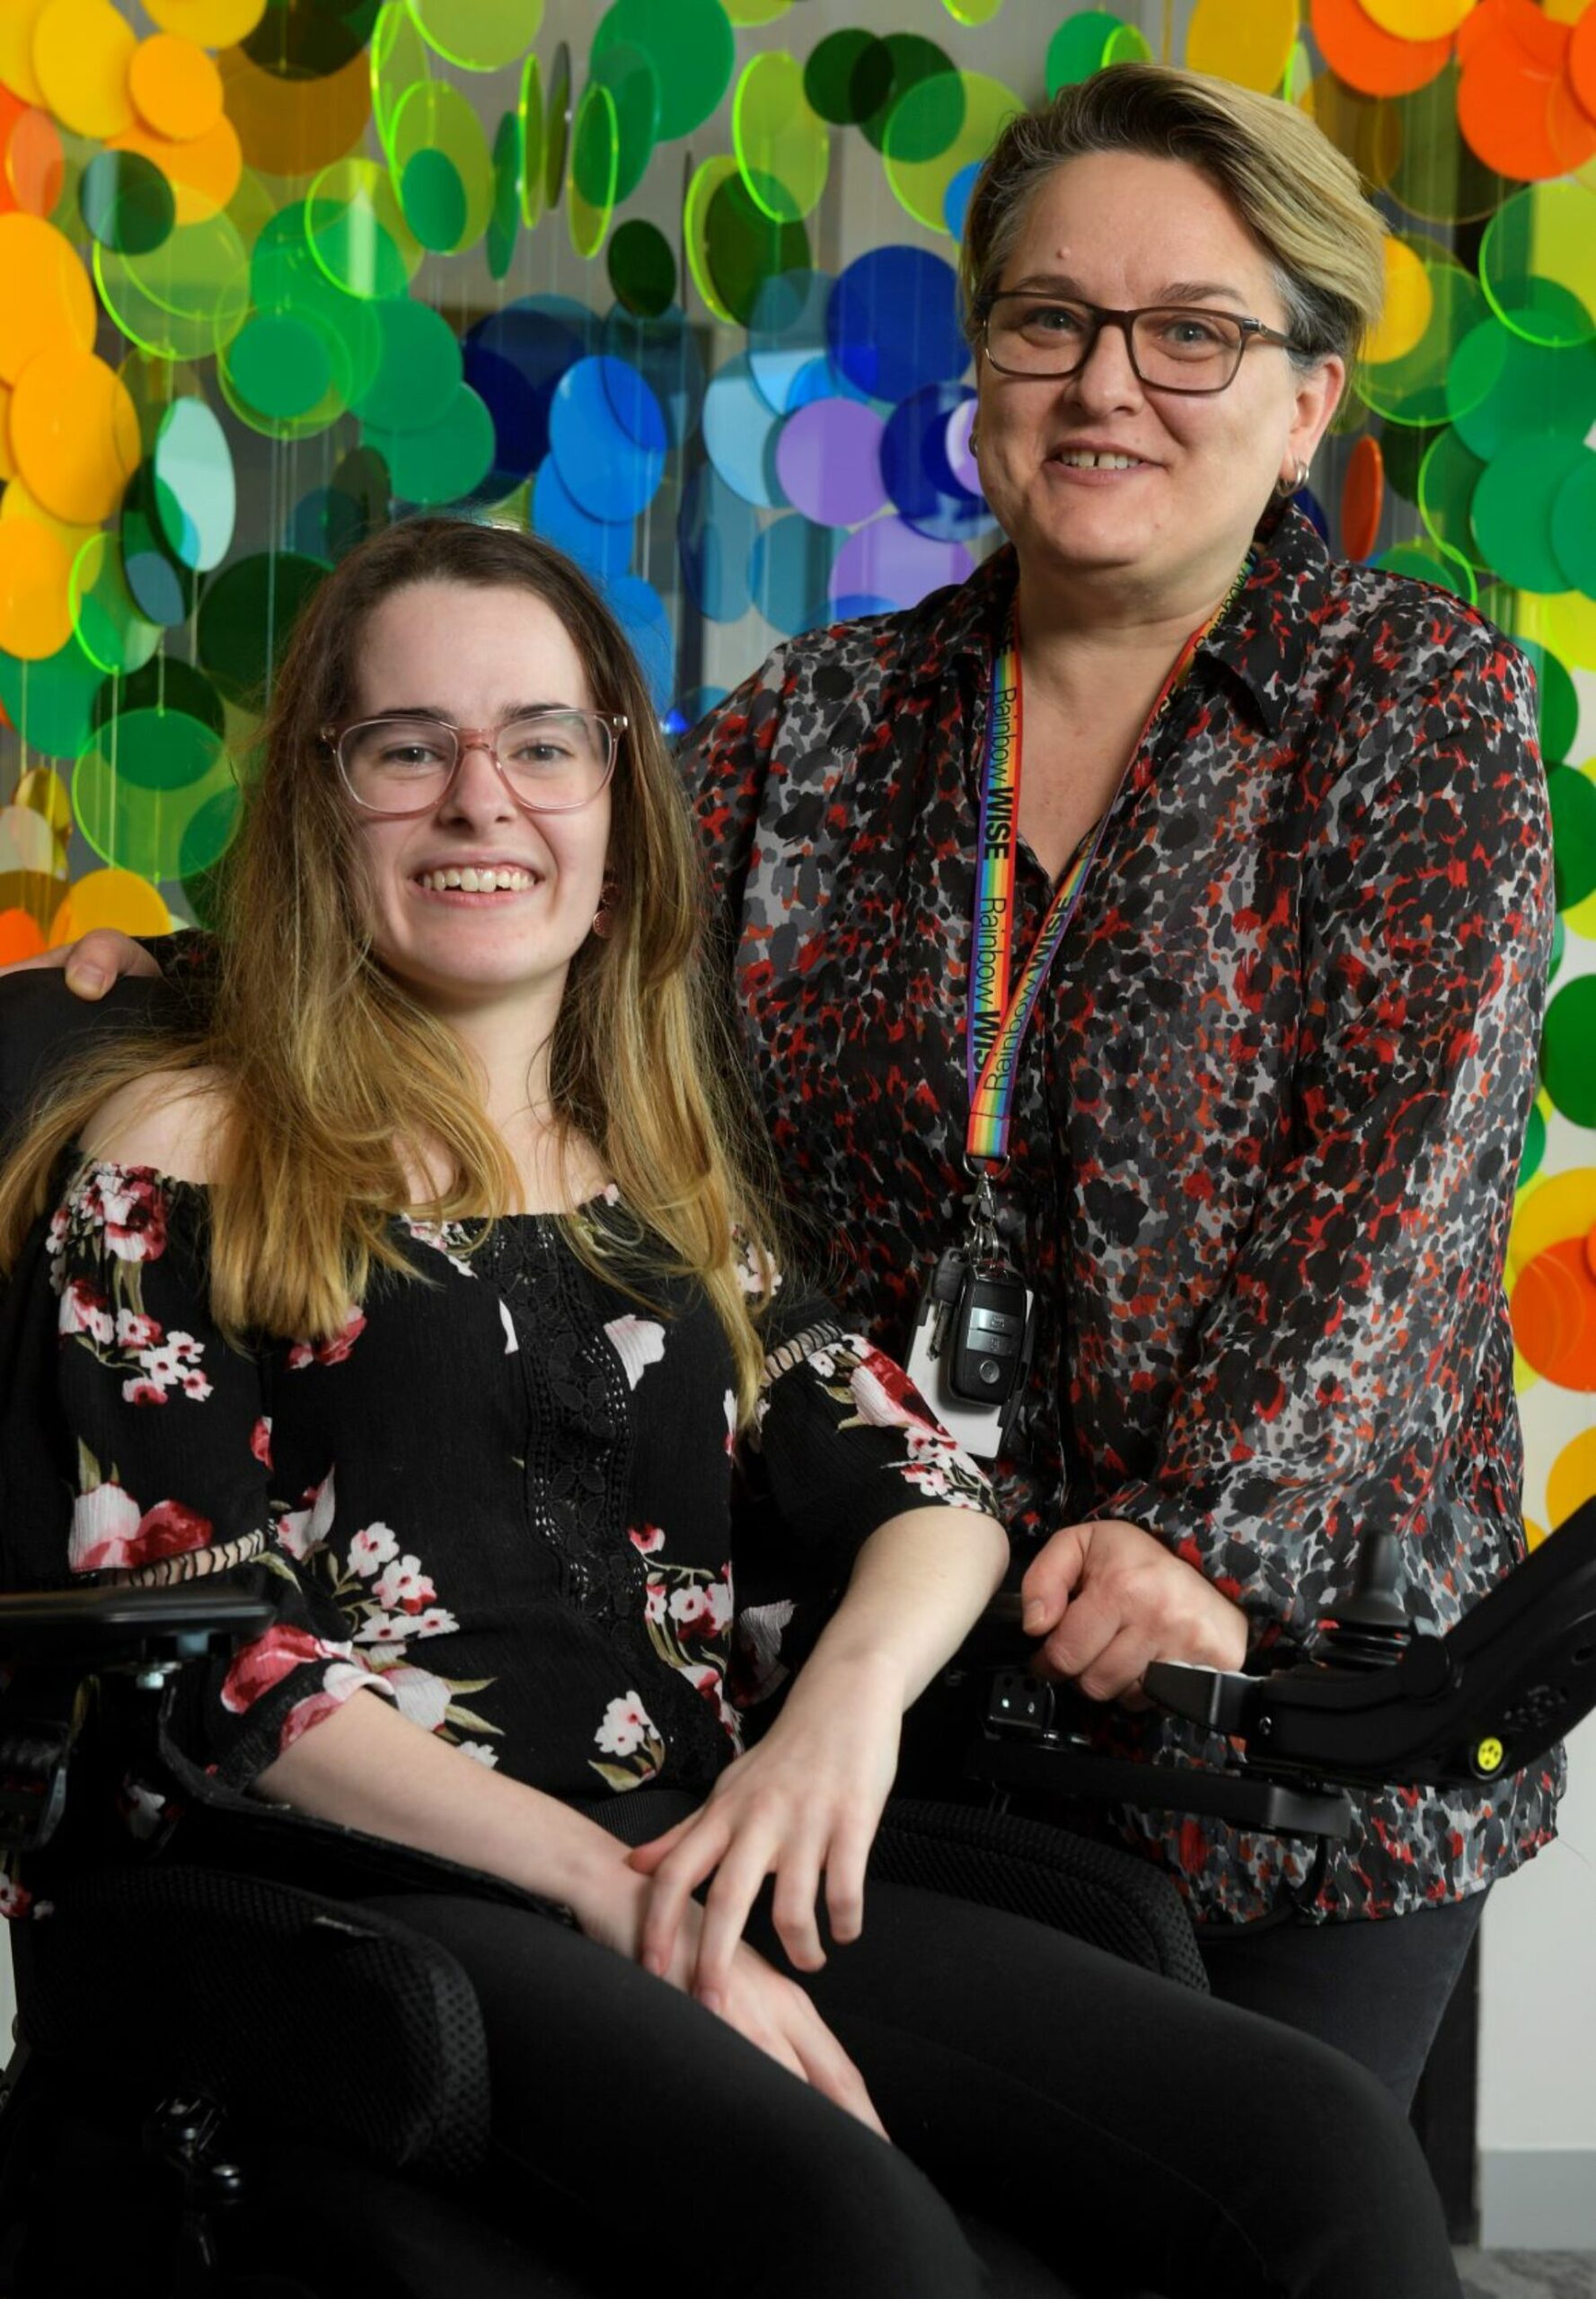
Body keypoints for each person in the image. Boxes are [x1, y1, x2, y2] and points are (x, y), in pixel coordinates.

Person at [22, 64, 1556, 2105]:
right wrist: (188, 977)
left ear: (1302, 397)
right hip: (895, 1687)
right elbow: (544, 868)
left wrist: (1205, 1531)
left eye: (1190, 332)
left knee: (1267, 2178)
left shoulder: (1409, 698)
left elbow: (1410, 1176)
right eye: (1046, 322)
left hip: (1262, 1678)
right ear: (986, 369)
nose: (1107, 384)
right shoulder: (841, 710)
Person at [0, 519, 1464, 2298]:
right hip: (366, 1885)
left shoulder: (664, 1184)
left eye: (541, 742)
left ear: (614, 818)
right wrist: (610, 1899)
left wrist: (832, 1716)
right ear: (325, 807)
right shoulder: (184, 1152)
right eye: (410, 748)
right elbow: (204, 1660)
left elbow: (925, 1488)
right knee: (869, 2247)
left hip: (690, 1835)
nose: (483, 796)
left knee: (1313, 2150)